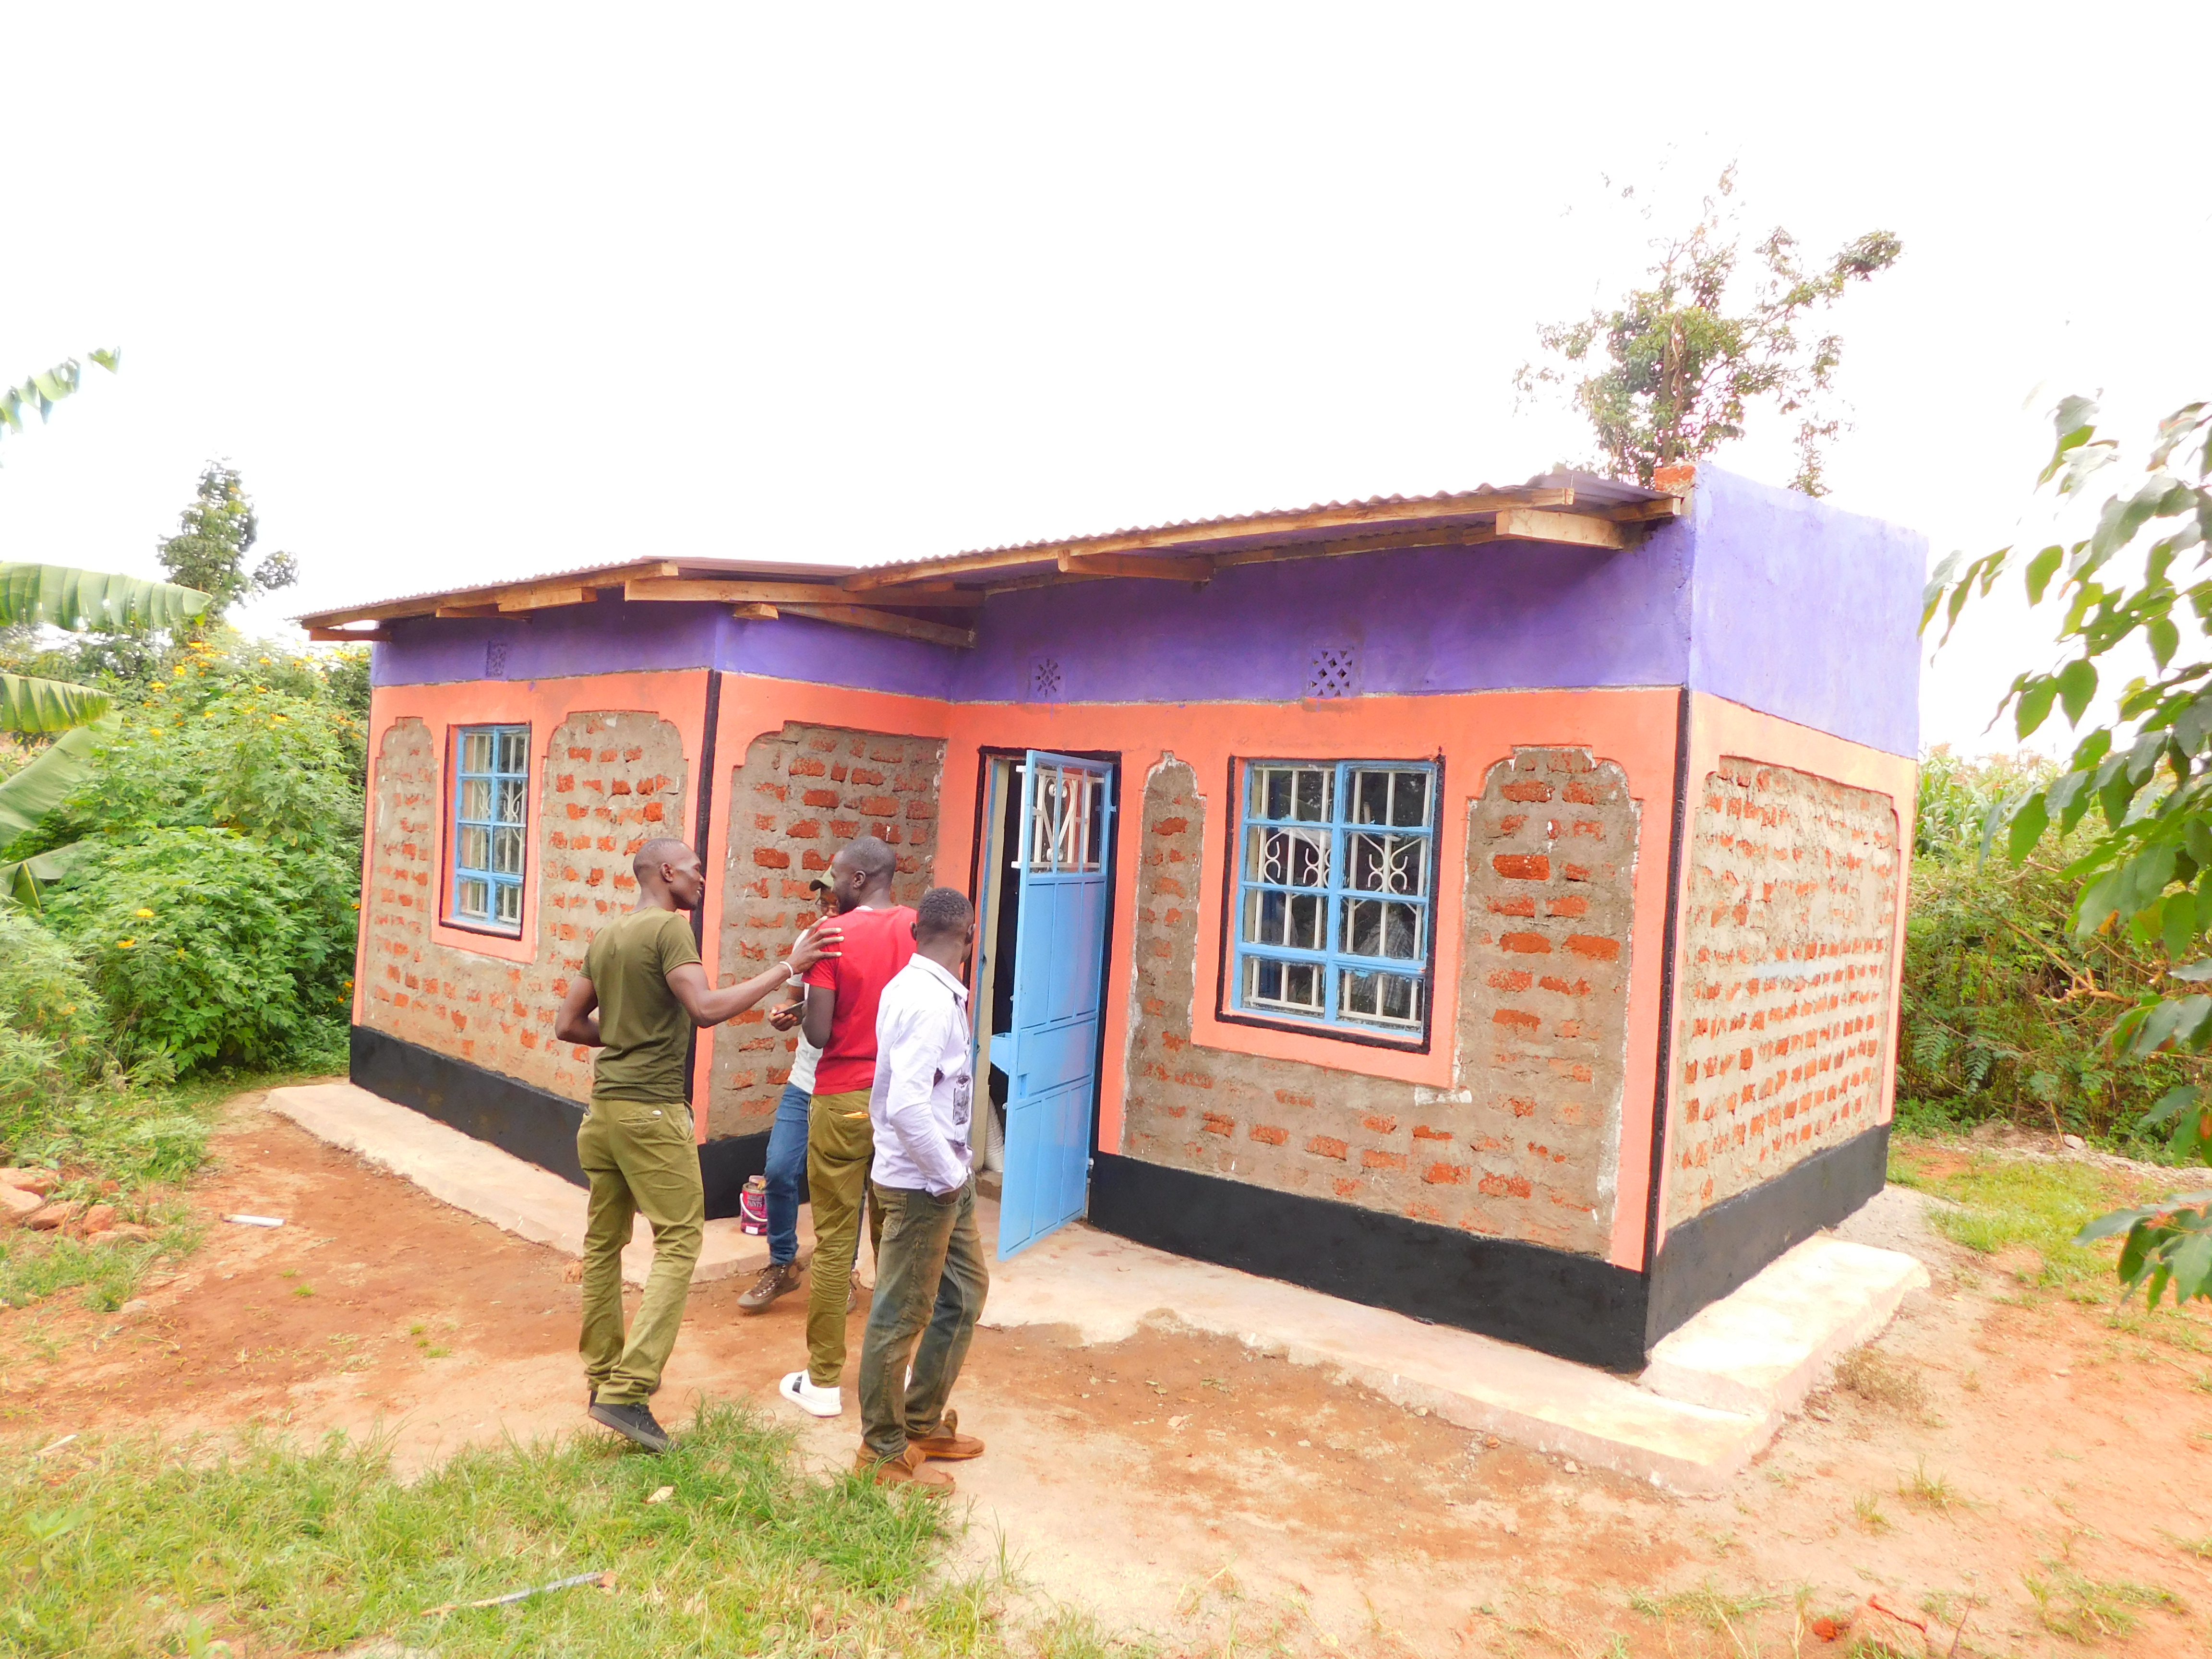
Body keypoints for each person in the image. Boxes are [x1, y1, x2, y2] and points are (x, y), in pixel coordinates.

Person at [554, 836, 838, 1452]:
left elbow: (568, 1024)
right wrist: (786, 969)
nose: (703, 879)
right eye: (696, 870)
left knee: (603, 1245)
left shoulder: (609, 935)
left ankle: (603, 1375)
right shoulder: (669, 930)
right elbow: (706, 1009)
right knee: (680, 1240)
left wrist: (626, 1032)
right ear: (666, 872)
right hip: (652, 1115)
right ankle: (629, 1390)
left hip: (603, 1113)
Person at [854, 886, 989, 1493]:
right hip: (923, 1184)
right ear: (970, 937)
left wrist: (952, 1175)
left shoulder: (914, 988)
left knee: (964, 1292)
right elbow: (907, 1106)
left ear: (916, 933)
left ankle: (921, 1422)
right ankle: (881, 1452)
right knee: (900, 1315)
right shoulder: (931, 1003)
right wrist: (949, 1177)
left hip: (940, 1176)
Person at [779, 836, 914, 1418]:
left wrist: (804, 1006)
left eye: (836, 876)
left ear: (858, 879)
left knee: (836, 1244)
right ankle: (897, 1375)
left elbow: (818, 1034)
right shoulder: (918, 929)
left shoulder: (830, 937)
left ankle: (824, 1383)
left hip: (842, 1099)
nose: (831, 885)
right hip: (901, 1102)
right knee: (895, 1241)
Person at [737, 874, 837, 1314]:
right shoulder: (809, 940)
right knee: (779, 1170)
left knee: (842, 1186)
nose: (827, 913)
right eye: (822, 905)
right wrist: (787, 1013)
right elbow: (798, 999)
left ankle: (843, 1273)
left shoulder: (869, 945)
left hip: (847, 1085)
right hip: (804, 1080)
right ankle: (783, 1264)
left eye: (836, 905)